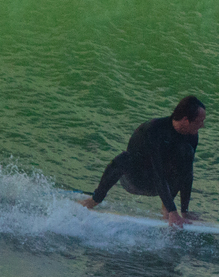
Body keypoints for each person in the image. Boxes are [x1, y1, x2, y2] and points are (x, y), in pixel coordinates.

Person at [80, 96, 207, 227]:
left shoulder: (192, 137)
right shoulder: (154, 130)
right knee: (123, 159)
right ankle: (94, 200)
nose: (202, 125)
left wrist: (184, 211)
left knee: (187, 154)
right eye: (199, 121)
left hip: (161, 186)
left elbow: (187, 173)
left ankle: (167, 209)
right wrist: (173, 211)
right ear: (186, 120)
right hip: (136, 179)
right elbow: (158, 173)